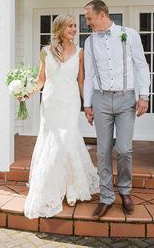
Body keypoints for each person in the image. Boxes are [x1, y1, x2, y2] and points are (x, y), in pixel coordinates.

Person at [24, 14, 99, 219]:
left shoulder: (81, 52)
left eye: (75, 26)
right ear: (60, 29)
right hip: (50, 102)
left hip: (70, 102)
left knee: (67, 140)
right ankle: (52, 187)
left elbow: (81, 81)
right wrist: (27, 91)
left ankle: (71, 187)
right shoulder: (46, 51)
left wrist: (88, 105)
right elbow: (41, 80)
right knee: (52, 142)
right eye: (70, 26)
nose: (74, 29)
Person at [83, 0, 149, 218]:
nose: (87, 23)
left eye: (89, 18)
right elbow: (90, 75)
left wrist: (144, 96)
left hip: (125, 98)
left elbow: (141, 65)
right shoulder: (90, 42)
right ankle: (105, 197)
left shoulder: (129, 34)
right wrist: (87, 104)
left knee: (123, 149)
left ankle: (125, 191)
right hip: (101, 100)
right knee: (102, 151)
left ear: (102, 15)